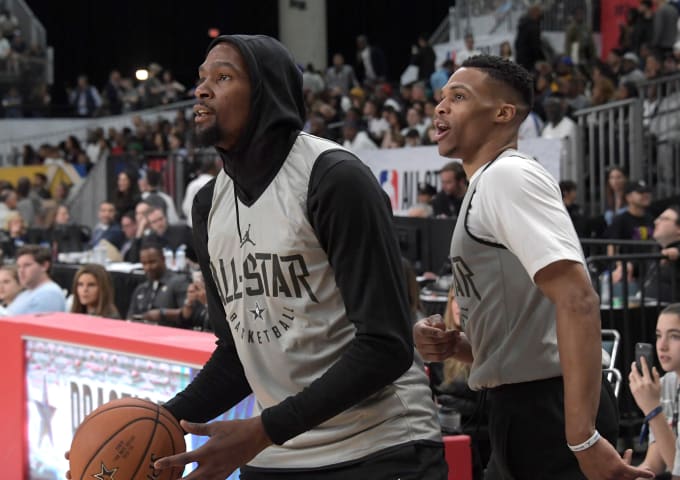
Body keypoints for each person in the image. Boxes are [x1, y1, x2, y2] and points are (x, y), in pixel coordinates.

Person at [148, 34, 444, 479]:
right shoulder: (208, 204)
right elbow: (237, 353)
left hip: (378, 446)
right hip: (277, 452)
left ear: (266, 92)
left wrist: (265, 428)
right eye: (201, 79)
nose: (202, 90)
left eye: (223, 77)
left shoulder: (334, 179)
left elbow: (386, 346)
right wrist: (158, 424)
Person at [414, 55, 653, 479]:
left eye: (459, 96)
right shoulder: (487, 183)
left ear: (504, 113)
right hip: (523, 406)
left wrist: (582, 436)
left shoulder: (508, 177)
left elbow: (577, 298)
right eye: (440, 97)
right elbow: (524, 336)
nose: (440, 107)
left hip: (547, 410)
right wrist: (458, 346)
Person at [629, 303, 680, 476]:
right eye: (659, 336)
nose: (662, 346)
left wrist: (652, 409)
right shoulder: (666, 384)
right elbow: (654, 463)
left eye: (674, 336)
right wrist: (632, 474)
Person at [6, 245, 65, 315]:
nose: (21, 271)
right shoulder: (27, 292)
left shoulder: (49, 293)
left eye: (27, 265)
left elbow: (35, 324)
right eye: (19, 266)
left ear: (44, 266)